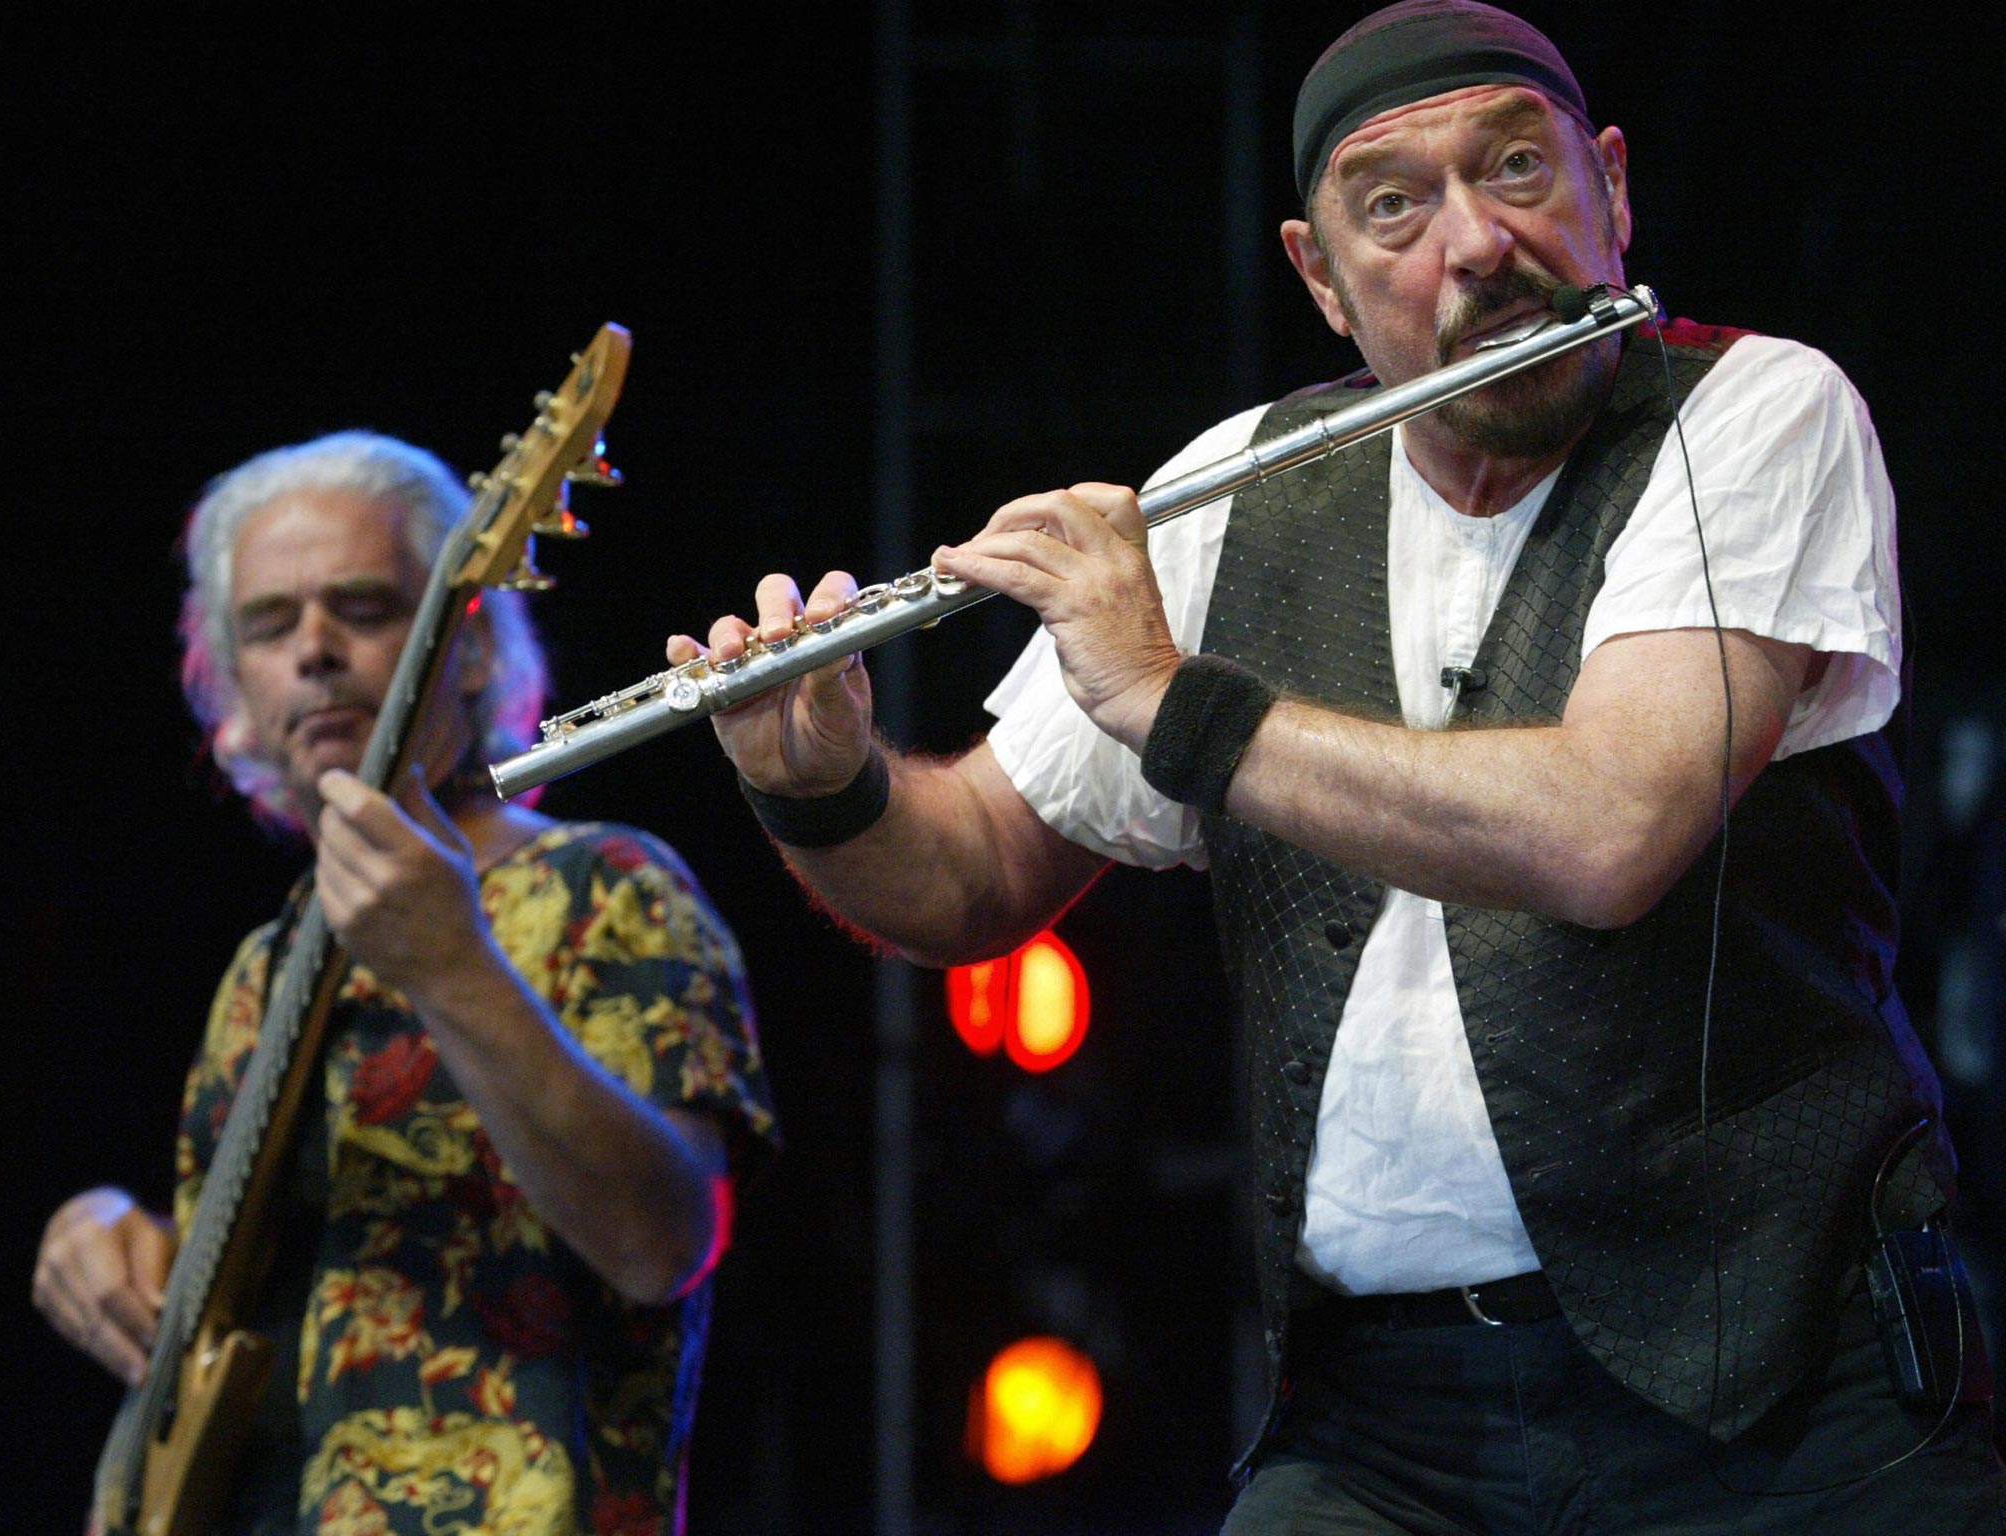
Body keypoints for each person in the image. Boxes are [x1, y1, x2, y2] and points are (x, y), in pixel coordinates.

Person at [672, 2, 2002, 1530]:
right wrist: (819, 783)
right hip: (1385, 1428)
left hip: (1783, 1402)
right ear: (1319, 272)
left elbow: (1609, 828)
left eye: (1518, 171)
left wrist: (1181, 705)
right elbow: (966, 877)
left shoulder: (1757, 416)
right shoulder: (1240, 496)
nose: (1480, 244)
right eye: (1398, 207)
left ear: (1611, 191)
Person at [33, 432, 777, 1535]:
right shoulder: (262, 967)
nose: (316, 652)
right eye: (270, 625)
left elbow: (664, 1242)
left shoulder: (606, 889)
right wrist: (104, 1229)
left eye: (364, 607)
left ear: (469, 645)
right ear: (232, 680)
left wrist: (454, 967)